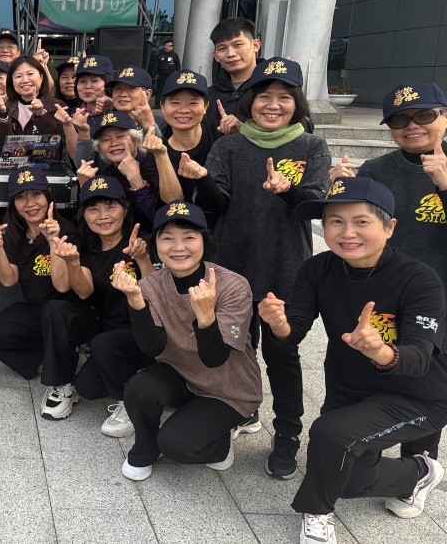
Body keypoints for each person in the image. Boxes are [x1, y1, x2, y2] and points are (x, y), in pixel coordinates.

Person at [259, 177, 447, 544]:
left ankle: (316, 512)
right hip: (349, 387)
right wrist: (279, 324)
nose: (347, 232)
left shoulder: (420, 280)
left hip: (417, 396)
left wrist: (381, 351)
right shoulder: (316, 269)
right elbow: (294, 330)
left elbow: (420, 356)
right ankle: (418, 473)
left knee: (328, 434)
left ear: (389, 227)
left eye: (361, 221)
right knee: (347, 477)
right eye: (335, 221)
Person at [182, 57, 331, 480]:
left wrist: (289, 189)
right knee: (235, 348)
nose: (274, 105)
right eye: (265, 96)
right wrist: (202, 179)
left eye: (285, 97)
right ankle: (238, 412)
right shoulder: (228, 145)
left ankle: (287, 434)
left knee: (282, 353)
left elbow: (314, 205)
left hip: (286, 268)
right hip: (233, 266)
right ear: (250, 100)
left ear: (297, 103)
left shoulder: (311, 146)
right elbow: (218, 204)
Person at [332, 81, 447, 461]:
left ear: (444, 117)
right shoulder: (377, 169)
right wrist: (342, 192)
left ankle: (418, 469)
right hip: (383, 293)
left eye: (423, 115)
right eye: (400, 120)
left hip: (437, 300)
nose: (412, 125)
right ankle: (363, 459)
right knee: (372, 367)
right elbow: (357, 230)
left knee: (425, 381)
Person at [112, 201, 261, 481]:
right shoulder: (150, 284)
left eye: (189, 237)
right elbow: (153, 347)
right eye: (167, 238)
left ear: (204, 241)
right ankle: (145, 446)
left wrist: (206, 316)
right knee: (139, 388)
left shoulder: (233, 286)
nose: (178, 247)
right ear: (155, 244)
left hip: (228, 389)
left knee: (176, 446)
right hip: (182, 373)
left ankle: (220, 443)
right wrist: (135, 300)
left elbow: (215, 359)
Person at [0, 168, 85, 419]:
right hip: (37, 310)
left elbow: (62, 286)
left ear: (48, 196)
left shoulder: (67, 230)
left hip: (69, 312)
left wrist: (54, 241)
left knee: (54, 309)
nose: (30, 203)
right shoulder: (15, 233)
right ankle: (50, 357)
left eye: (36, 194)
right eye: (21, 197)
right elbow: (8, 280)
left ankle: (63, 384)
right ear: (13, 203)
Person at [56, 177, 155, 435]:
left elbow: (158, 295)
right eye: (94, 209)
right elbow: (84, 291)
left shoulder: (142, 243)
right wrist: (73, 263)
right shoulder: (89, 250)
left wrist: (143, 259)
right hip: (111, 335)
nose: (103, 216)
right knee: (87, 387)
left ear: (125, 209)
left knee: (102, 344)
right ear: (84, 216)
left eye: (111, 206)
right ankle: (141, 375)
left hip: (148, 332)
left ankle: (132, 403)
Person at [75, 112, 160, 226]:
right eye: (106, 139)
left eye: (120, 136)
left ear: (136, 139)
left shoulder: (155, 164)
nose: (114, 143)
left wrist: (136, 180)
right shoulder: (105, 174)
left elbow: (160, 220)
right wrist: (85, 187)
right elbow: (92, 223)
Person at [159, 69, 218, 209]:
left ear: (205, 106)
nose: (183, 110)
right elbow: (172, 201)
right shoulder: (157, 150)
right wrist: (160, 156)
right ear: (162, 106)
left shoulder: (221, 135)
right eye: (175, 103)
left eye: (193, 103)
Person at [0, 55, 60, 155]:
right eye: (18, 76)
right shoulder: (6, 106)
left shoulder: (56, 105)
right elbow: (1, 144)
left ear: (41, 77)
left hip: (45, 164)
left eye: (30, 74)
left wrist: (41, 114)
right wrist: (2, 114)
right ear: (12, 81)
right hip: (13, 164)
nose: (25, 80)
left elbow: (57, 143)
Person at [205, 17, 261, 135]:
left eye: (237, 45)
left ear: (255, 45)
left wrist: (244, 129)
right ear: (216, 56)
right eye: (222, 48)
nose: (230, 54)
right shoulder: (207, 96)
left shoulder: (273, 88)